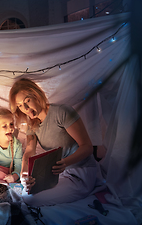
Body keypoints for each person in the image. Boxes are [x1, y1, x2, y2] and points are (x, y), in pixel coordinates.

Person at [9, 78, 98, 207]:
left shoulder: (62, 112)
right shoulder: (32, 123)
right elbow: (29, 151)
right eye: (20, 105)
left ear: (36, 95)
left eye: (27, 101)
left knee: (30, 199)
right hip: (56, 174)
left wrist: (65, 163)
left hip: (79, 173)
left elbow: (88, 147)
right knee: (23, 192)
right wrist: (24, 175)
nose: (26, 108)